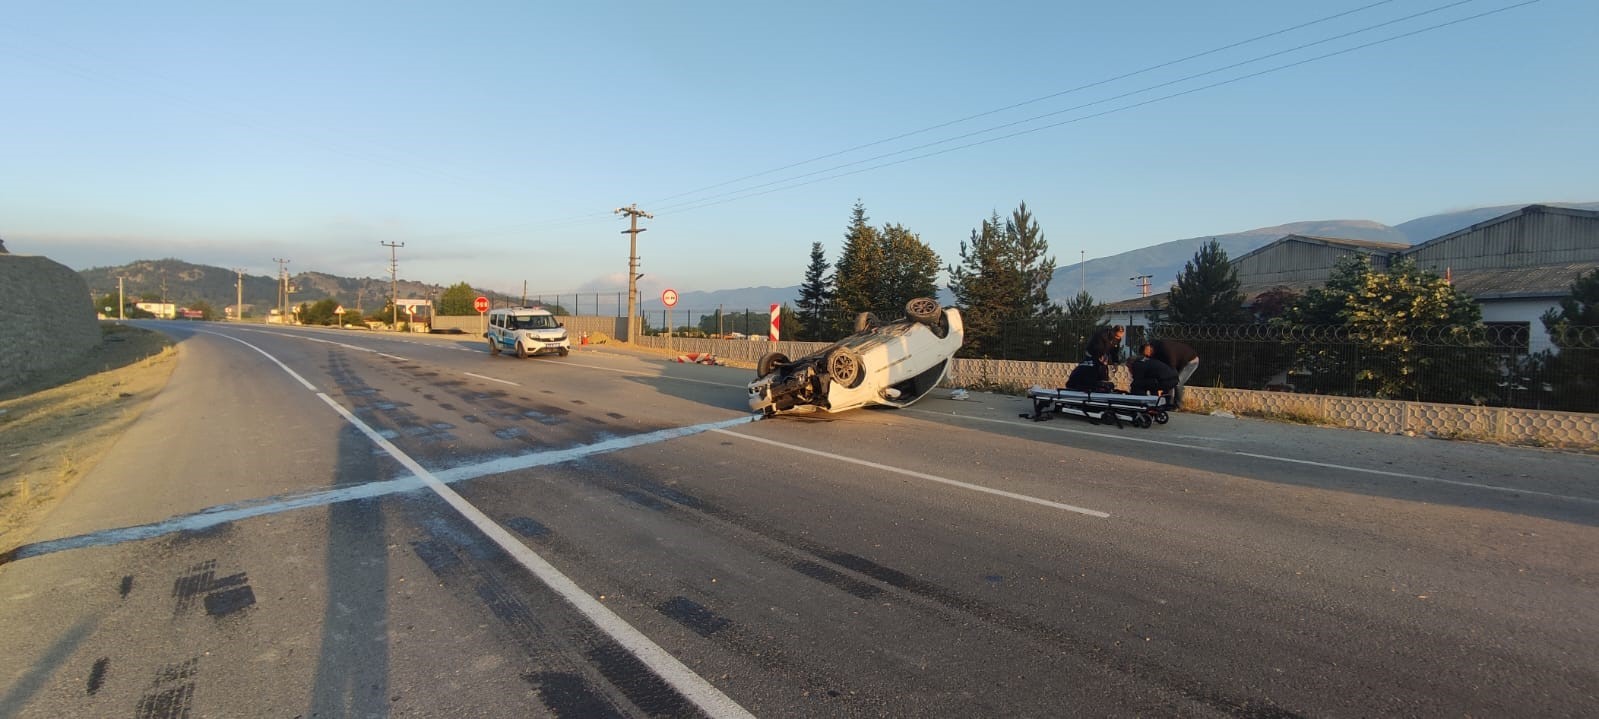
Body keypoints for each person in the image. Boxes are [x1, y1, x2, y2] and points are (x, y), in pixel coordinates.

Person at [1149, 339, 1200, 409]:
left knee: (1177, 382)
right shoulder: (1155, 353)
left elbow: (1172, 370)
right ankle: (1169, 404)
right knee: (1170, 382)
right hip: (1179, 363)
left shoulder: (1166, 350)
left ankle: (1179, 406)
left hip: (1191, 362)